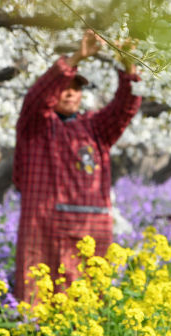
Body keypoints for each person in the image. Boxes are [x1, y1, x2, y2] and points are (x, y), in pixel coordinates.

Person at [13, 29, 142, 302]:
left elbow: (125, 108)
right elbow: (36, 99)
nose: (70, 94)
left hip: (90, 229)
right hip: (44, 227)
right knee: (39, 299)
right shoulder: (35, 126)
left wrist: (128, 64)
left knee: (87, 306)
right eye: (65, 88)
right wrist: (75, 59)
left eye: (76, 90)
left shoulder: (96, 129)